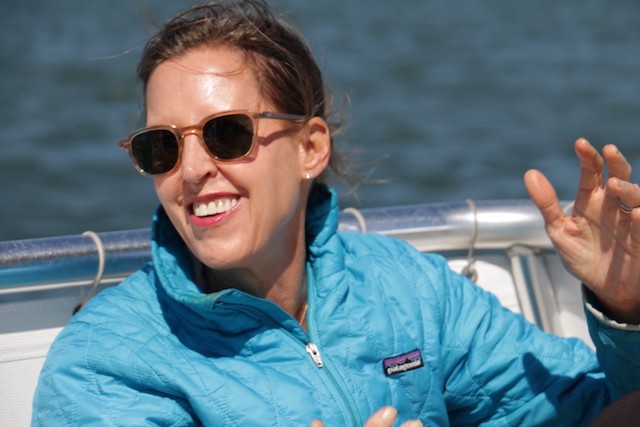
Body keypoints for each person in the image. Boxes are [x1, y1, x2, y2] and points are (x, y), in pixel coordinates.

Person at [32, 1, 640, 425]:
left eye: (226, 133)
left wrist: (626, 307)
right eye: (160, 146)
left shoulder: (408, 292)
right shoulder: (107, 365)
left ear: (311, 148)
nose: (190, 170)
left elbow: (594, 408)